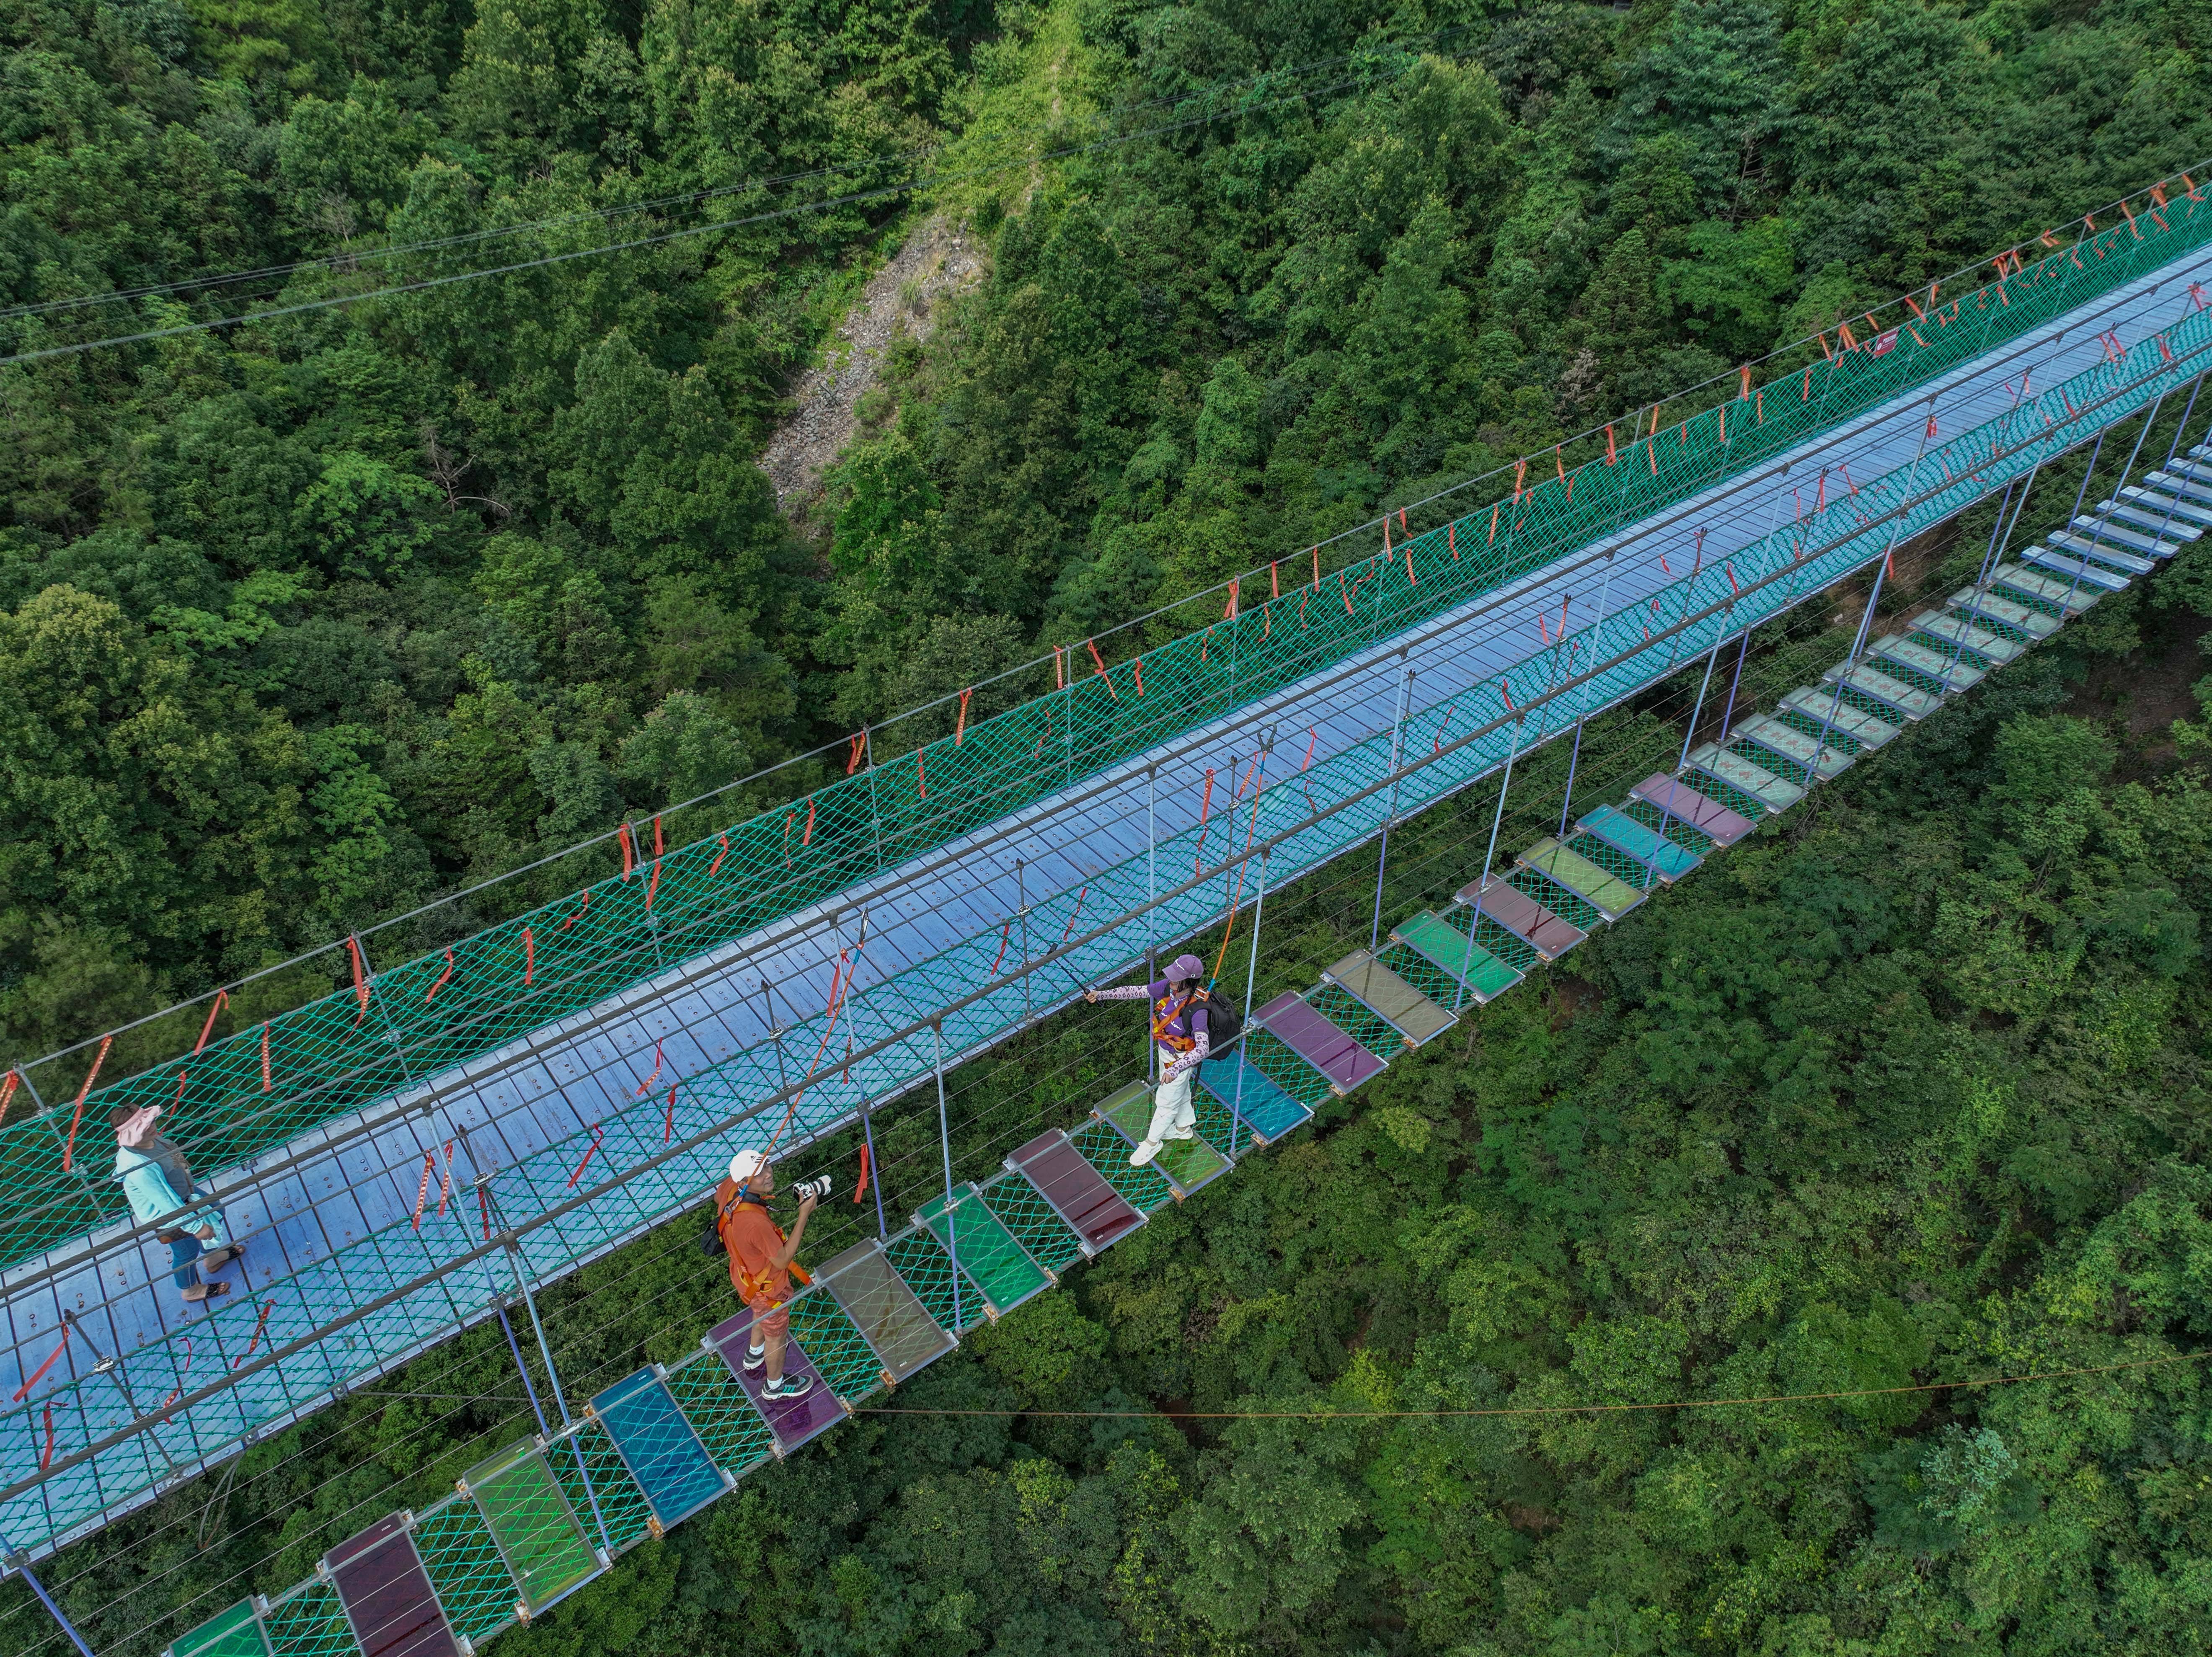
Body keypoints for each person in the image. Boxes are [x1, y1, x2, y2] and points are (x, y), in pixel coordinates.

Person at [711, 1149, 818, 1400]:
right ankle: (774, 1386)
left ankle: (753, 1354)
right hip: (770, 1288)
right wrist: (804, 1215)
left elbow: (720, 1194)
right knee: (777, 1336)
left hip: (744, 1276)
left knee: (760, 1311)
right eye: (759, 1174)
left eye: (767, 1165)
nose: (768, 1174)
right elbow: (781, 1260)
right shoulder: (755, 1224)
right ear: (744, 1181)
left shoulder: (730, 1189)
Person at [1085, 953, 1211, 1167]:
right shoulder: (1170, 988)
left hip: (1180, 1060)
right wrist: (1102, 995)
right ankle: (1183, 1129)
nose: (1171, 981)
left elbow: (1203, 1048)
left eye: (1176, 978)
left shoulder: (1198, 1010)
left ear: (1188, 982)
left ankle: (1152, 1143)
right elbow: (1137, 991)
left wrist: (1176, 1069)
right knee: (1179, 1092)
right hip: (1166, 1052)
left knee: (1165, 1101)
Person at [110, 1105, 240, 1304]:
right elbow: (166, 1202)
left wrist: (183, 1165)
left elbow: (171, 1147)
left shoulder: (151, 1140)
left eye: (152, 1121)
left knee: (217, 1210)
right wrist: (196, 1226)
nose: (152, 1127)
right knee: (186, 1251)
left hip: (186, 1194)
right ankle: (190, 1290)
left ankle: (211, 1257)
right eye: (145, 1127)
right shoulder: (138, 1167)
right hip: (167, 1215)